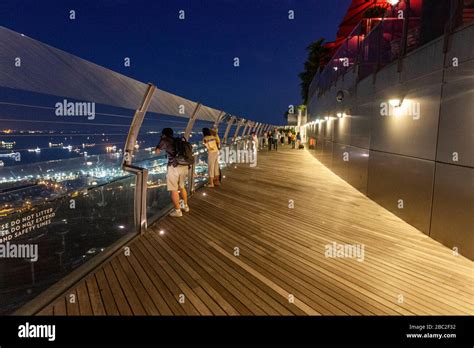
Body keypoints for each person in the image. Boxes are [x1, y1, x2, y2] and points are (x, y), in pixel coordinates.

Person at [155, 128, 189, 217]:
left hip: (174, 166)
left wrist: (160, 141)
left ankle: (178, 211)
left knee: (174, 189)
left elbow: (157, 151)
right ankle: (185, 206)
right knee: (182, 187)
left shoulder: (164, 140)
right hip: (184, 165)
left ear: (164, 134)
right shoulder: (177, 140)